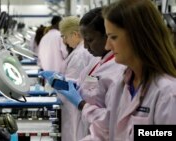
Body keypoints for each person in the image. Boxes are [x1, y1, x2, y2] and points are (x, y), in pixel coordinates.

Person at [79, 0, 176, 140]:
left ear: (137, 36)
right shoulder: (122, 85)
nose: (107, 46)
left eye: (113, 37)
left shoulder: (167, 93)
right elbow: (105, 134)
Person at [40, 8, 125, 141]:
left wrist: (81, 104)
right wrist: (71, 83)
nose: (85, 46)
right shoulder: (98, 61)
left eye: (90, 40)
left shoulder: (117, 70)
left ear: (107, 36)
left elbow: (111, 121)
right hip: (87, 129)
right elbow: (88, 82)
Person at [56, 16, 97, 141]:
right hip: (77, 106)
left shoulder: (80, 54)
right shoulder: (79, 52)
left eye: (65, 36)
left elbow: (73, 85)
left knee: (75, 134)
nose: (64, 41)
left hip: (76, 107)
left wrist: (58, 82)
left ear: (75, 34)